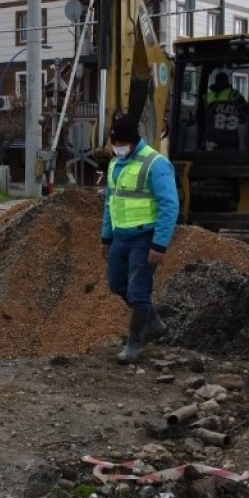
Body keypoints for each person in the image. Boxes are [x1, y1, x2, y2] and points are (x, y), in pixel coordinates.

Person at [100, 114, 179, 364]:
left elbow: (169, 205)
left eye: (122, 143)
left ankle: (134, 343)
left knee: (138, 293)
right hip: (120, 237)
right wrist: (106, 237)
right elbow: (110, 203)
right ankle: (154, 323)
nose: (118, 147)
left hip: (145, 238)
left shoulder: (156, 164)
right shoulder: (115, 164)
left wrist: (159, 244)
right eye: (115, 143)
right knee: (116, 284)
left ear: (134, 141)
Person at [204, 72, 247, 149]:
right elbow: (245, 110)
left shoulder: (208, 95)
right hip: (231, 139)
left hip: (212, 140)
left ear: (216, 81)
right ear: (227, 81)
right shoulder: (234, 93)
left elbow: (202, 115)